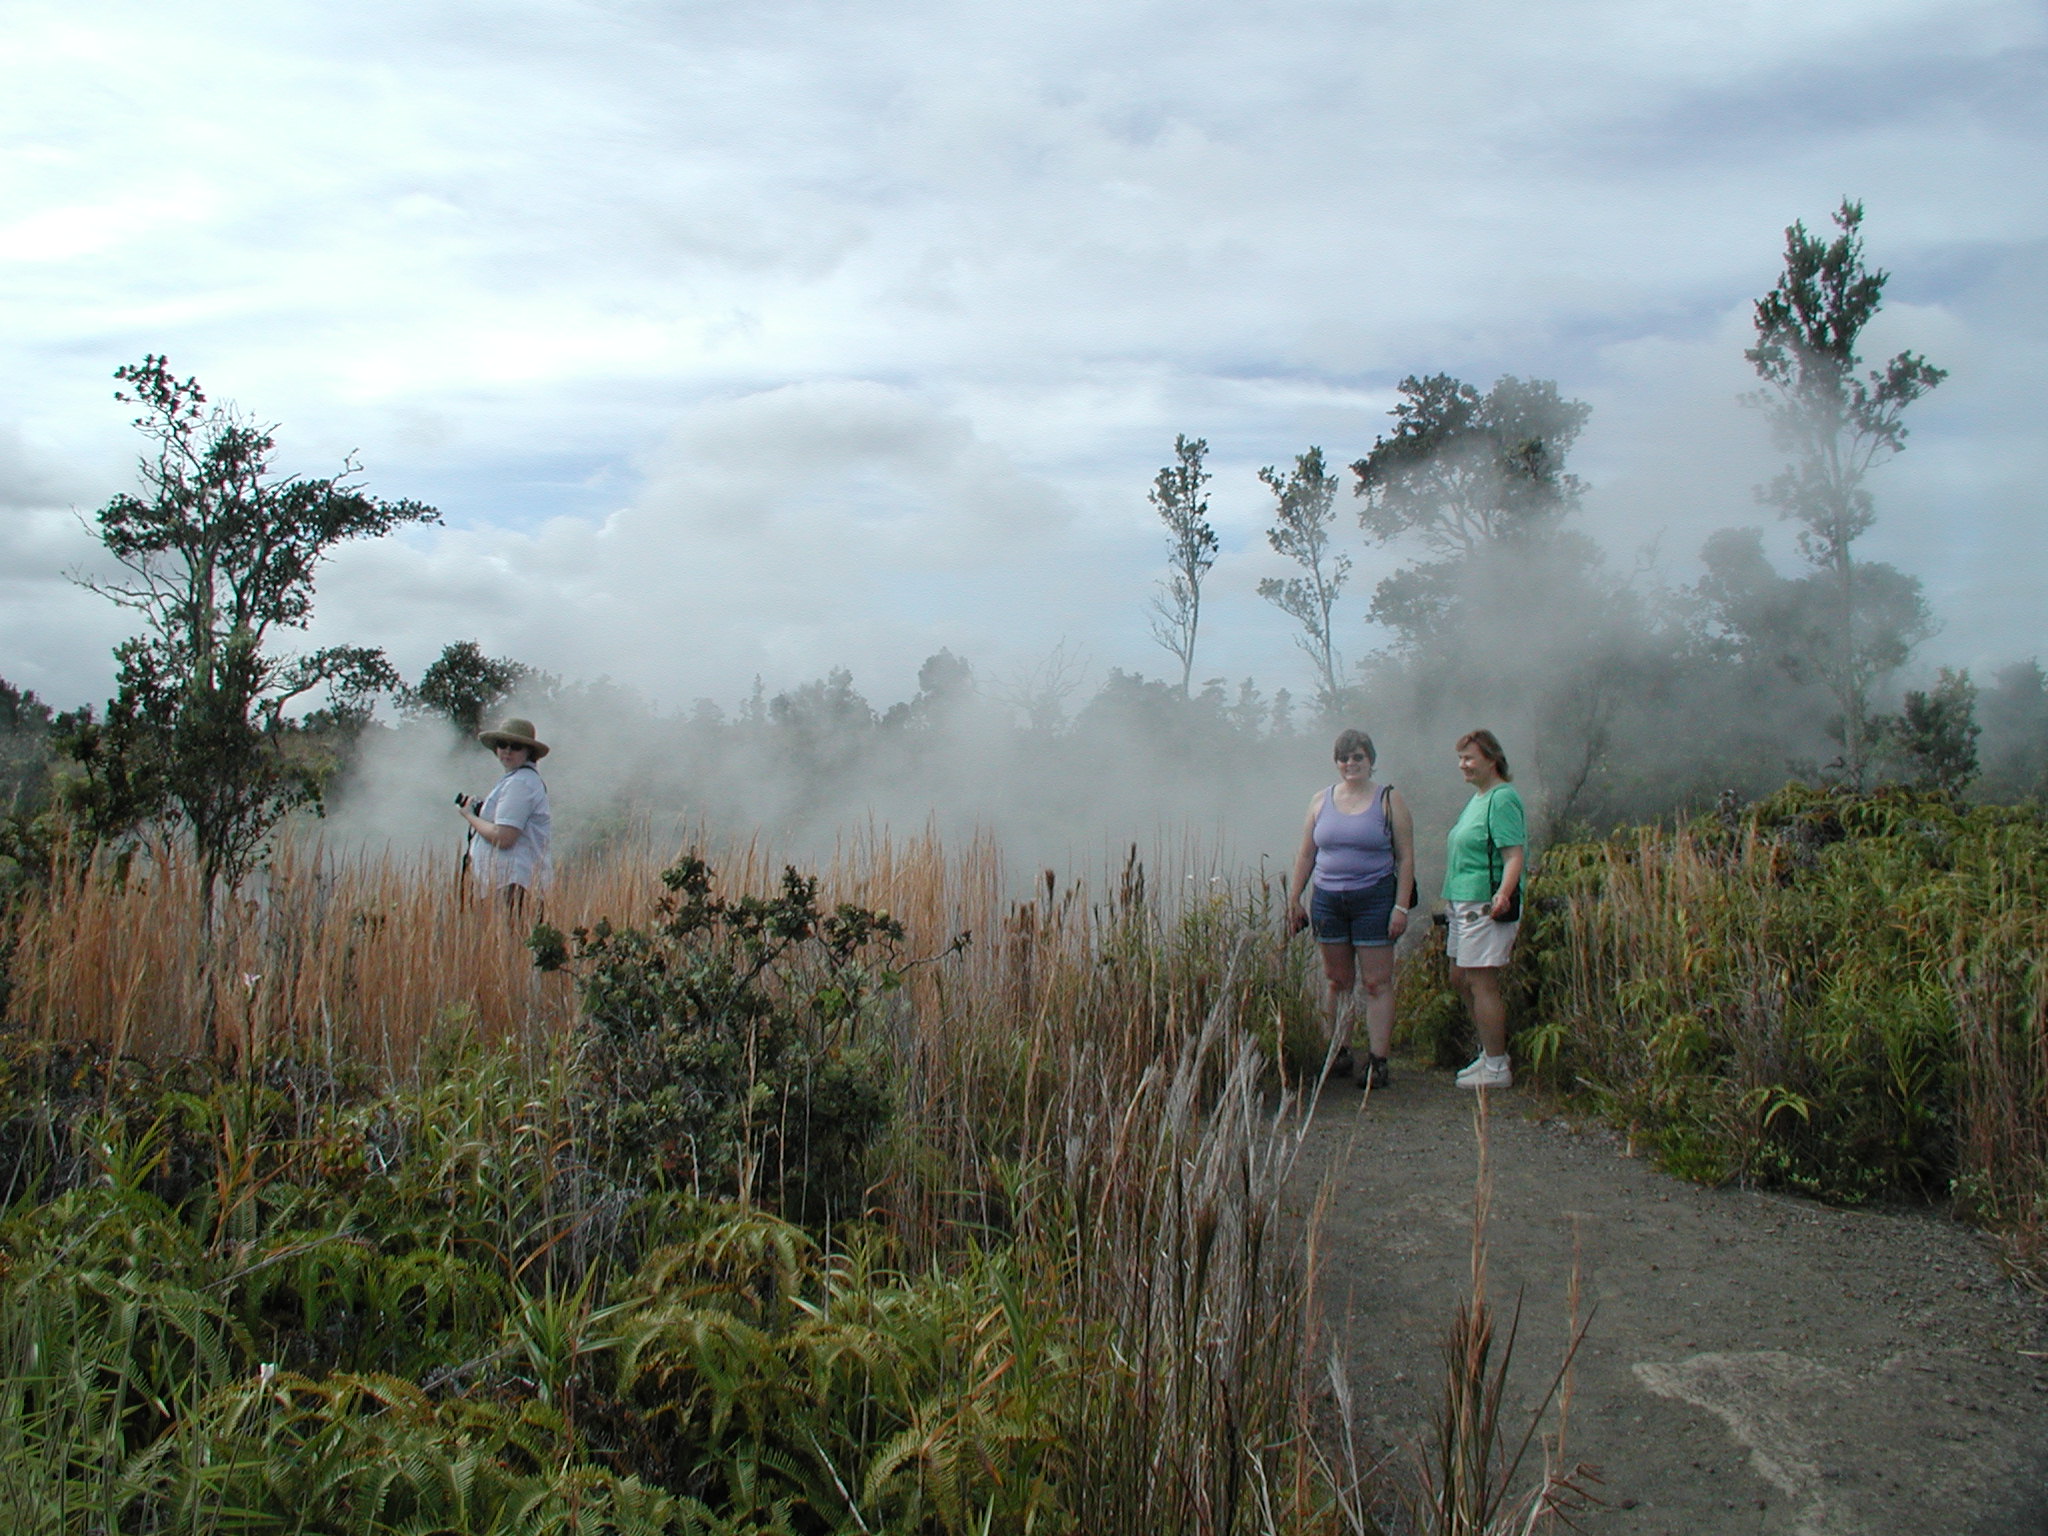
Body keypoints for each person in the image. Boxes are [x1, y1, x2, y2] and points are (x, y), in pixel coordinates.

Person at [1287, 728, 1417, 1090]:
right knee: (1337, 980)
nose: (1350, 764)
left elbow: (1406, 858)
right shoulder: (1320, 800)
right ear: (1337, 763)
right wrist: (1294, 897)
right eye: (1344, 758)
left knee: (1376, 982)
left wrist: (1400, 907)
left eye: (1358, 757)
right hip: (1328, 897)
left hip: (1374, 897)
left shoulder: (1389, 800)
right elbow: (1307, 853)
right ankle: (1339, 1052)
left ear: (1370, 760)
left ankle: (1378, 1060)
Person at [1442, 729, 1525, 1090]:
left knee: (1481, 981)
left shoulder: (1502, 799)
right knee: (1460, 978)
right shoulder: (1479, 798)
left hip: (1485, 903)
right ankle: (1488, 1053)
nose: (1463, 765)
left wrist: (1504, 894)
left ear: (1491, 759)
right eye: (1460, 758)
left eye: (1469, 758)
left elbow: (1513, 854)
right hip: (1461, 900)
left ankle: (1496, 1066)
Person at [456, 717, 552, 906]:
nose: (507, 750)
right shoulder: (518, 780)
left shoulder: (520, 783)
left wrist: (469, 815)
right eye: (502, 744)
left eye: (515, 746)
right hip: (507, 886)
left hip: (511, 887)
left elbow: (504, 837)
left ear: (528, 751)